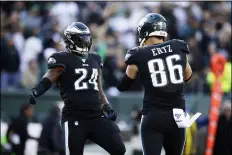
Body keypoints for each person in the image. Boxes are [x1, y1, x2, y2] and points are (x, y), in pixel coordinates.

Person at [28, 22, 126, 155]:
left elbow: (99, 90)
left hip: (96, 116)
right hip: (75, 117)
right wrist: (36, 91)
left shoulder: (95, 58)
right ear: (71, 40)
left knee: (119, 148)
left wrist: (107, 108)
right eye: (81, 39)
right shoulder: (62, 58)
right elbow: (49, 77)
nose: (85, 42)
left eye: (86, 38)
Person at [118, 13, 193, 155]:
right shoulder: (178, 47)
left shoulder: (139, 54)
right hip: (177, 116)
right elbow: (188, 76)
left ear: (145, 33)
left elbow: (123, 85)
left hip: (154, 115)